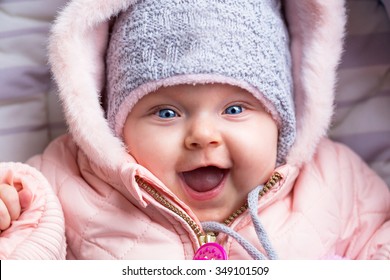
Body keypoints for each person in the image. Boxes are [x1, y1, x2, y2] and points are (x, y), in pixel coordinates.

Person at [1, 0, 389, 260]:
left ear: (281, 122)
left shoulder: (333, 182)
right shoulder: (64, 182)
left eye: (235, 109)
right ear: (113, 127)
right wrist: (10, 221)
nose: (203, 135)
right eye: (166, 113)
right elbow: (26, 251)